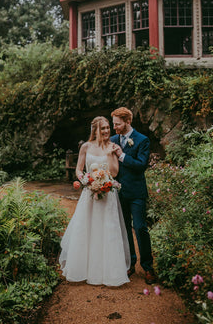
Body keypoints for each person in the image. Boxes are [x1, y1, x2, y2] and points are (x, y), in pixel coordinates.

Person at [59, 116, 131, 287]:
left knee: (108, 230)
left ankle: (109, 273)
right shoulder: (86, 146)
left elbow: (113, 173)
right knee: (87, 228)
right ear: (95, 130)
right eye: (103, 128)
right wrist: (86, 180)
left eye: (108, 128)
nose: (107, 131)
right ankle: (83, 269)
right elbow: (78, 169)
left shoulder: (113, 147)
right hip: (90, 193)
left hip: (108, 195)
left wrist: (109, 155)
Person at [110, 107, 156, 284]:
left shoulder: (142, 140)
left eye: (118, 124)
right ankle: (130, 263)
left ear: (128, 122)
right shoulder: (113, 139)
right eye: (114, 124)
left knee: (140, 228)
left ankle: (148, 266)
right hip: (118, 192)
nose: (114, 128)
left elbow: (141, 164)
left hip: (136, 192)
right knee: (124, 228)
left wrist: (122, 156)